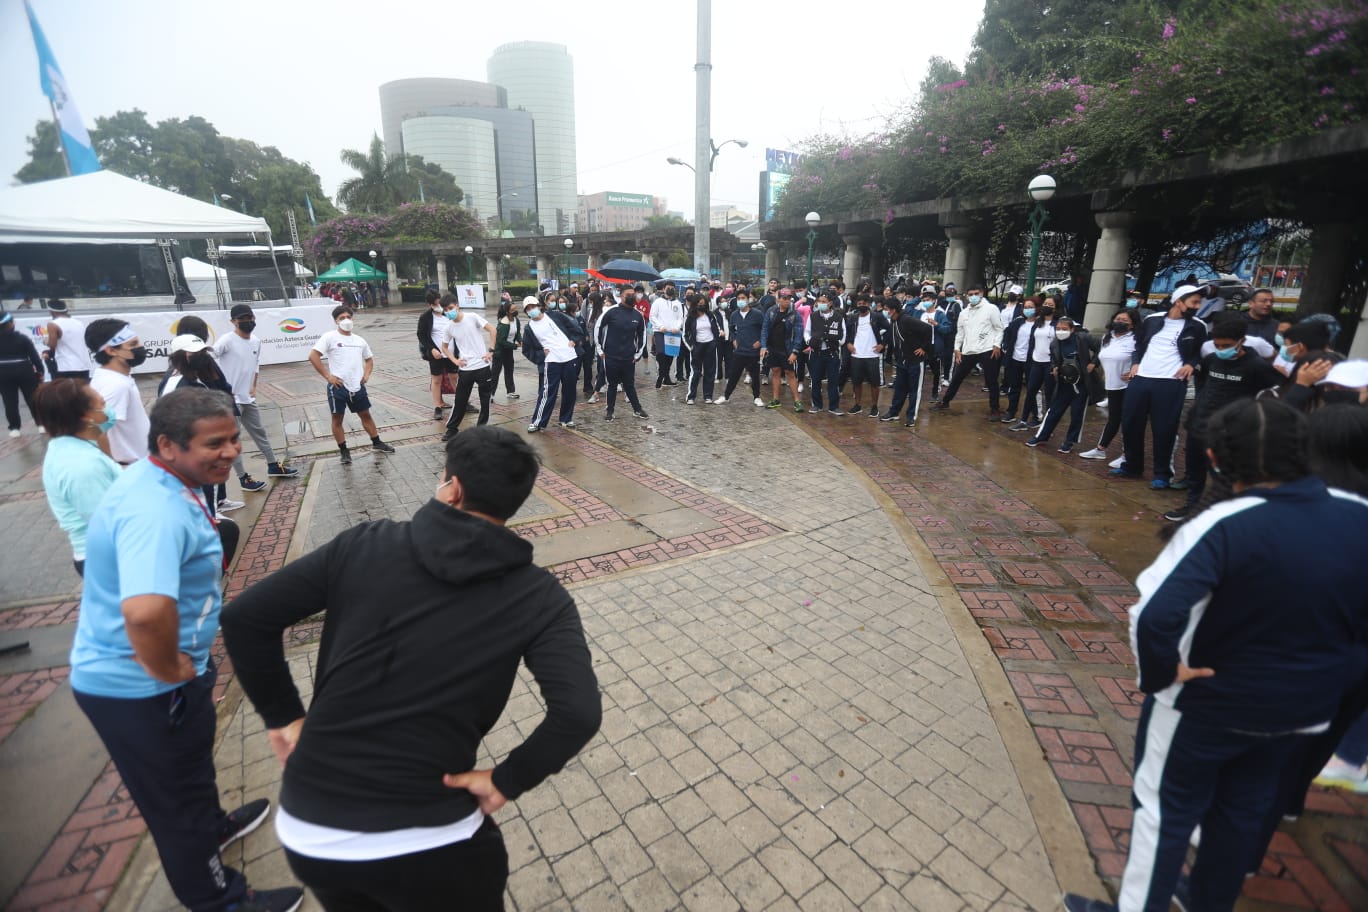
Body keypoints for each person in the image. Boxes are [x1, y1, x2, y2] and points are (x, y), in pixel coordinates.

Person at [221, 428, 600, 912]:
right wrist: (505, 781)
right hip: (437, 841)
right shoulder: (541, 597)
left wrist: (281, 717)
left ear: (452, 487)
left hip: (311, 833)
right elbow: (579, 713)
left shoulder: (362, 544)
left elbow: (245, 617)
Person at [1064, 398, 1368, 912]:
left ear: (1213, 456)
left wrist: (1162, 675)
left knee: (1165, 813)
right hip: (1302, 711)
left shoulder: (1223, 523)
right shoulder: (1358, 516)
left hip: (1207, 703)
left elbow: (1155, 616)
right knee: (1242, 814)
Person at [71, 387, 304, 912]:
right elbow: (145, 612)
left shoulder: (169, 479)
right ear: (168, 445)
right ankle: (220, 899)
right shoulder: (156, 510)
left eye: (234, 440)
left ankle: (212, 829)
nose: (230, 452)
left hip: (165, 677)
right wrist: (173, 670)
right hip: (140, 687)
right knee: (172, 803)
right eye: (214, 444)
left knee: (192, 771)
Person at [1114, 285, 1209, 487]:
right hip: (1141, 378)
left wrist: (1191, 364)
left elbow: (1201, 352)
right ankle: (1132, 465)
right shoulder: (1152, 320)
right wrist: (1136, 362)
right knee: (1130, 424)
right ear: (1179, 301)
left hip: (1170, 382)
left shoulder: (1198, 326)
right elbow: (1139, 344)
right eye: (1194, 302)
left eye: (1199, 302)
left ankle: (1162, 473)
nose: (1197, 306)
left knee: (1164, 429)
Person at [34, 379, 121, 576]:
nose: (108, 409)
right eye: (102, 404)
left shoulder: (71, 446)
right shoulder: (81, 465)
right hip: (108, 557)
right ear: (86, 416)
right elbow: (105, 521)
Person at [212, 304, 300, 484]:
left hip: (247, 398)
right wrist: (220, 387)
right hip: (230, 400)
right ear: (233, 321)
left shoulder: (256, 341)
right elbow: (210, 360)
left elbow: (255, 364)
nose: (247, 321)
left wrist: (254, 385)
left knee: (259, 432)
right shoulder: (226, 341)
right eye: (242, 319)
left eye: (250, 318)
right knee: (233, 439)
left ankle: (273, 465)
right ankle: (243, 478)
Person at [308, 305, 396, 465]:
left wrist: (366, 375)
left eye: (348, 317)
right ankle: (344, 451)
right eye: (342, 318)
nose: (346, 320)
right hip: (338, 387)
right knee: (337, 419)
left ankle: (377, 443)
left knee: (366, 415)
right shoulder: (329, 337)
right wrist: (328, 376)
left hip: (357, 387)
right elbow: (313, 355)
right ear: (336, 321)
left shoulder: (359, 340)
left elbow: (369, 359)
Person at [1025, 316, 1100, 453]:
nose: (1060, 331)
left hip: (1081, 384)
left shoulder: (1083, 338)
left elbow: (1101, 347)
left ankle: (1069, 441)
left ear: (1072, 330)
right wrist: (1054, 367)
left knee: (1077, 413)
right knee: (1053, 411)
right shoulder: (1055, 343)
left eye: (1064, 329)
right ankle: (1042, 436)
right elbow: (1054, 358)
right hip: (1064, 382)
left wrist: (1094, 363)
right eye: (1058, 329)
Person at [85, 319, 151, 466]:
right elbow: (96, 430)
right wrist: (116, 468)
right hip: (132, 467)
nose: (140, 347)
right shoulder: (116, 385)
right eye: (133, 344)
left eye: (137, 342)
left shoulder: (111, 377)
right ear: (111, 350)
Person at [931, 286, 1004, 417]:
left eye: (976, 293)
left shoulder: (991, 309)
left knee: (991, 380)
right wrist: (957, 349)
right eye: (971, 294)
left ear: (981, 293)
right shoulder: (964, 313)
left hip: (987, 348)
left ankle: (995, 408)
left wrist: (996, 345)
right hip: (968, 350)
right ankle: (945, 401)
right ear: (967, 296)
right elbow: (960, 333)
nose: (974, 296)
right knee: (957, 377)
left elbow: (999, 328)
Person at [437, 294, 497, 443]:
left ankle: (481, 429)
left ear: (457, 305)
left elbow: (492, 330)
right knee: (460, 400)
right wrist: (455, 360)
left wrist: (491, 350)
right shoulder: (449, 327)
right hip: (465, 369)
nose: (449, 312)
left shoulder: (472, 317)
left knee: (485, 400)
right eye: (445, 310)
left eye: (450, 308)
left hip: (482, 366)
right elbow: (444, 347)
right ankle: (452, 429)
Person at [1079, 310, 1138, 460]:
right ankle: (1101, 449)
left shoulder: (1136, 339)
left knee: (1128, 420)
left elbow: (1143, 358)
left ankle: (1127, 454)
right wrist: (1106, 370)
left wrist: (1136, 371)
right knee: (1114, 418)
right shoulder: (1107, 337)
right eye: (1118, 319)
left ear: (1132, 324)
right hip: (1112, 385)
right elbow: (1104, 355)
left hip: (1129, 386)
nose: (1120, 322)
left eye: (1125, 320)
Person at [521, 296, 583, 432]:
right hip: (551, 361)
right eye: (528, 309)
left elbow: (575, 329)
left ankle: (566, 419)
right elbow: (526, 350)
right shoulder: (529, 328)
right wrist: (541, 355)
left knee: (570, 390)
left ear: (539, 306)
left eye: (533, 307)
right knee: (548, 392)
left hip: (569, 357)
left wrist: (574, 340)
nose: (531, 310)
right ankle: (537, 422)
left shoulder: (555, 315)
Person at [595, 288, 648, 421]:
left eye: (633, 294)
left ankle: (637, 409)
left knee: (629, 384)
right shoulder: (611, 311)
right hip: (611, 356)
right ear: (622, 296)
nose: (631, 296)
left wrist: (638, 354)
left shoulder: (637, 315)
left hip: (629, 357)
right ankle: (610, 411)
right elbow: (598, 328)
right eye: (628, 294)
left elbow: (643, 335)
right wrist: (600, 350)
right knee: (612, 385)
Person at [880, 298, 934, 427]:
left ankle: (911, 416)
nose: (885, 312)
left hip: (915, 361)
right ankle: (894, 412)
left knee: (914, 390)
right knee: (899, 388)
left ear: (893, 310)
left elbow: (928, 328)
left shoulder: (906, 320)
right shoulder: (894, 321)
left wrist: (924, 348)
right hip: (901, 361)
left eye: (887, 309)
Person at [716, 288, 765, 406]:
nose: (741, 301)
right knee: (734, 375)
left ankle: (757, 397)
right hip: (739, 351)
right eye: (738, 299)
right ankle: (726, 396)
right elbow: (732, 329)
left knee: (755, 376)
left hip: (753, 351)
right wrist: (733, 339)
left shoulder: (757, 314)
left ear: (748, 299)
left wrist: (760, 342)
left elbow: (764, 330)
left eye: (743, 298)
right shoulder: (734, 315)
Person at [844, 294, 890, 416]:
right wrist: (848, 344)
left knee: (874, 383)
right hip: (856, 354)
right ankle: (857, 404)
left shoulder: (877, 317)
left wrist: (883, 344)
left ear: (869, 304)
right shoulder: (853, 318)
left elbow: (889, 329)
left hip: (873, 355)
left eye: (864, 303)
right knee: (856, 382)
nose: (862, 306)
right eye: (859, 304)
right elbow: (847, 333)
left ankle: (874, 406)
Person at [759, 289, 804, 411]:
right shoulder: (771, 311)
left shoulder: (795, 314)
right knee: (775, 371)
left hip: (787, 349)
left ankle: (797, 401)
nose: (786, 301)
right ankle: (775, 399)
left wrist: (795, 352)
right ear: (778, 299)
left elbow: (799, 334)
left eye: (789, 298)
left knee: (790, 373)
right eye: (784, 298)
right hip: (773, 348)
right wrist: (764, 346)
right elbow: (765, 329)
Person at [0, 311, 43, 437]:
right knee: (32, 399)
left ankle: (14, 429)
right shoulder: (22, 338)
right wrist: (40, 371)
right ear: (11, 324)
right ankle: (41, 425)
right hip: (24, 371)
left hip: (3, 373)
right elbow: (34, 357)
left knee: (9, 401)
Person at [804, 291, 847, 414]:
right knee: (815, 379)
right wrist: (809, 341)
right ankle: (817, 404)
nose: (820, 304)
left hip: (832, 353)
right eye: (819, 301)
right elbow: (807, 331)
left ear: (830, 303)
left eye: (824, 302)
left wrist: (838, 342)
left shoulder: (838, 317)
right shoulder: (813, 316)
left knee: (833, 380)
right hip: (816, 352)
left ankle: (834, 406)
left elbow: (843, 333)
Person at [997, 297, 1037, 426]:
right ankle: (1011, 412)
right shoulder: (1018, 322)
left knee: (1033, 389)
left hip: (1032, 361)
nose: (1028, 310)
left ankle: (1036, 415)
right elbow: (1007, 333)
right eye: (1026, 307)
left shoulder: (1040, 324)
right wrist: (1005, 346)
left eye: (1031, 307)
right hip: (1015, 359)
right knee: (1014, 387)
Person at [682, 292, 723, 404]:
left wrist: (715, 341)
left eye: (704, 304)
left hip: (710, 345)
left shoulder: (710, 315)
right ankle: (691, 396)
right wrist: (691, 347)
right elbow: (685, 334)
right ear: (695, 304)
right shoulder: (690, 317)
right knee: (695, 372)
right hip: (697, 346)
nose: (702, 306)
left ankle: (708, 396)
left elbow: (717, 328)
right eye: (700, 304)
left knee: (710, 371)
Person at [416, 289, 451, 420]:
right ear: (430, 305)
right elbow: (421, 335)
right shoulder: (425, 317)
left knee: (455, 377)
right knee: (436, 379)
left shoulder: (448, 314)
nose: (438, 306)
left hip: (451, 352)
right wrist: (431, 349)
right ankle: (437, 407)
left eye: (439, 303)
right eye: (435, 304)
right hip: (436, 353)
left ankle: (463, 403)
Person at [44, 299, 90, 380]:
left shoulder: (53, 324)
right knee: (82, 392)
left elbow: (52, 345)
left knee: (66, 392)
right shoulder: (78, 322)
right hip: (84, 365)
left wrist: (45, 341)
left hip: (66, 366)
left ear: (50, 311)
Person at [649, 284, 684, 387]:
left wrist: (677, 327)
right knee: (661, 352)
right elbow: (652, 316)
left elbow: (680, 318)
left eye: (672, 288)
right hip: (660, 331)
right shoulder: (658, 302)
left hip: (673, 332)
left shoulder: (677, 303)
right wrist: (660, 326)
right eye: (668, 287)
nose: (670, 289)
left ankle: (666, 377)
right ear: (663, 289)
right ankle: (661, 374)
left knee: (670, 355)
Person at [491, 297, 522, 402]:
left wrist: (520, 341)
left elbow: (517, 333)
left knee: (509, 371)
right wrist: (515, 346)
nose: (515, 311)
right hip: (499, 352)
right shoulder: (504, 323)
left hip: (508, 350)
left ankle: (510, 392)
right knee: (495, 373)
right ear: (507, 312)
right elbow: (501, 341)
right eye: (513, 310)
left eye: (515, 309)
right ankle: (490, 394)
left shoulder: (516, 320)